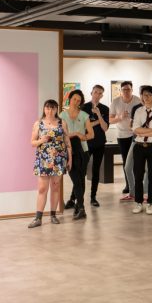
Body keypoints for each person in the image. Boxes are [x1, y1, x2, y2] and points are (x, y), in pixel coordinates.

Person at [28, 99, 72, 228]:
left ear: (56, 109)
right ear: (44, 109)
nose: (50, 110)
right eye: (47, 108)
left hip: (59, 159)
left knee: (56, 186)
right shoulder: (38, 124)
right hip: (43, 159)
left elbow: (67, 142)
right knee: (42, 188)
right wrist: (41, 140)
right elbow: (32, 142)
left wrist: (70, 159)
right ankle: (38, 217)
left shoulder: (62, 123)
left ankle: (53, 214)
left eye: (53, 108)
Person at [61, 89, 94, 220]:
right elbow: (61, 134)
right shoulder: (62, 115)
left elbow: (92, 134)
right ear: (70, 99)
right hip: (69, 151)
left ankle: (79, 207)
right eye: (74, 99)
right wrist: (74, 134)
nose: (76, 102)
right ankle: (81, 208)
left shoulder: (84, 115)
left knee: (80, 180)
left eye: (79, 101)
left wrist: (82, 137)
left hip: (83, 151)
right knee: (75, 179)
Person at [132, 85, 152, 215]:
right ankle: (138, 202)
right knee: (138, 175)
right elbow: (134, 128)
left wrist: (143, 132)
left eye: (149, 95)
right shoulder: (138, 111)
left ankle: (151, 202)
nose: (146, 97)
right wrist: (150, 131)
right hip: (138, 147)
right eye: (144, 95)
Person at [109, 81, 141, 200]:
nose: (126, 91)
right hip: (121, 135)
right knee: (125, 161)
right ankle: (128, 185)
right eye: (124, 90)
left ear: (132, 90)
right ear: (121, 91)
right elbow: (110, 120)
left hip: (135, 135)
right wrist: (120, 117)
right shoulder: (115, 102)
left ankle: (137, 185)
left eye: (128, 89)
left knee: (136, 161)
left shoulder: (138, 101)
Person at [82, 85, 109, 207]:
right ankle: (75, 197)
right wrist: (97, 121)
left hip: (99, 143)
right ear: (91, 93)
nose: (97, 94)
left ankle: (93, 197)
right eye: (95, 92)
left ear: (102, 95)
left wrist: (99, 115)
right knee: (81, 171)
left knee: (96, 171)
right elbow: (83, 127)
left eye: (100, 93)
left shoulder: (105, 109)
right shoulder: (83, 107)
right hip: (86, 143)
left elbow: (105, 128)